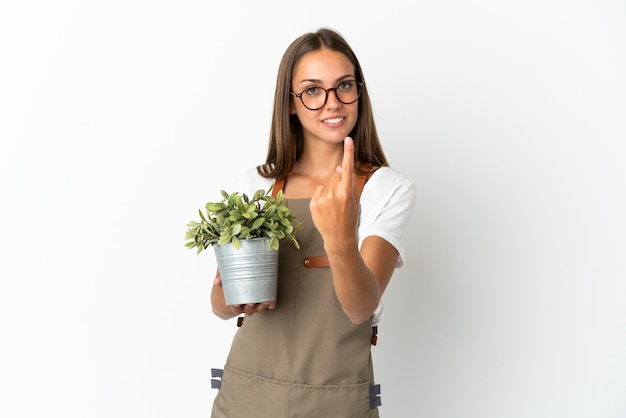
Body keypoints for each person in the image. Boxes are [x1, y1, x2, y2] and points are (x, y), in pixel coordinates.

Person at [209, 28, 416, 418]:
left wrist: (339, 235)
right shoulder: (258, 184)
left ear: (359, 91)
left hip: (335, 401)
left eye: (344, 86)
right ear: (290, 103)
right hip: (246, 396)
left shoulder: (386, 189)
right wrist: (234, 293)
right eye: (312, 90)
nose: (332, 103)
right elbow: (219, 305)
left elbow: (360, 308)